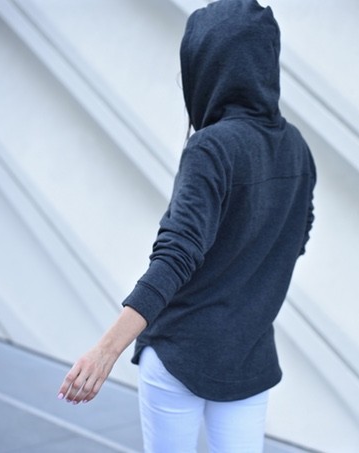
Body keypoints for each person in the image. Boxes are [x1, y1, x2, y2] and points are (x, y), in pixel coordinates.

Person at [57, 0, 316, 451]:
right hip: (249, 357)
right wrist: (249, 276)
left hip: (180, 355)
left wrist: (105, 350)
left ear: (209, 64)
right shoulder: (296, 148)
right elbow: (298, 235)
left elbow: (176, 254)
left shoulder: (211, 148)